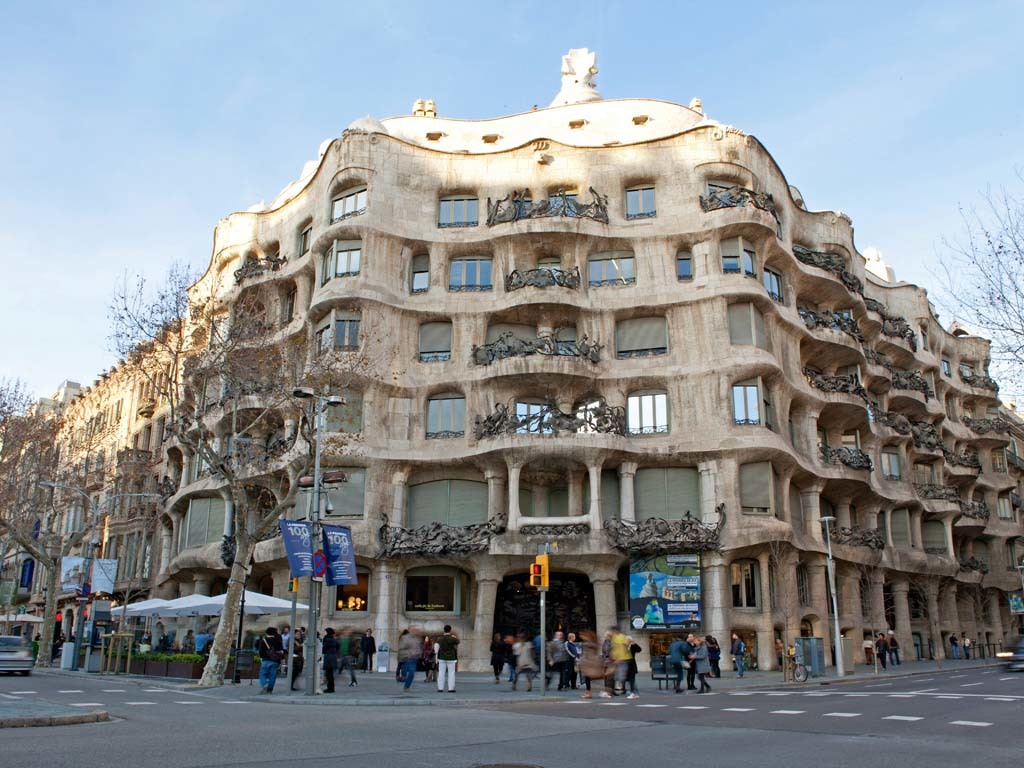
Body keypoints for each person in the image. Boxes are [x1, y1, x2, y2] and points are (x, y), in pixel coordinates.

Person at [604, 626, 630, 698]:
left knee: (621, 677)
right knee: (612, 676)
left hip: (618, 660)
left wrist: (618, 658)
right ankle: (610, 692)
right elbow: (609, 651)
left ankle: (632, 690)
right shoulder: (611, 640)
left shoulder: (620, 638)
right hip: (614, 660)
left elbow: (623, 648)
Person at [257, 626, 284, 694]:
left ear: (267, 633)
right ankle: (270, 690)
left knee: (262, 674)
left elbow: (261, 652)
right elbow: (281, 651)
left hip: (266, 660)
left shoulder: (264, 640)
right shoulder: (278, 640)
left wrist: (261, 658)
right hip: (275, 661)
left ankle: (264, 684)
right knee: (273, 675)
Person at [435, 625, 459, 693]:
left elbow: (436, 648)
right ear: (450, 630)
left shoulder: (440, 639)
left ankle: (440, 688)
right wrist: (454, 637)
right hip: (451, 657)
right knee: (451, 673)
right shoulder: (453, 638)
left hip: (442, 657)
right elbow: (458, 642)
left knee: (441, 673)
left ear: (444, 630)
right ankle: (451, 688)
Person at [322, 627, 340, 693]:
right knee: (331, 674)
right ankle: (331, 688)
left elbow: (324, 649)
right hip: (333, 657)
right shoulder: (334, 639)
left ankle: (330, 688)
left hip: (328, 657)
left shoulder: (327, 639)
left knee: (328, 674)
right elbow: (338, 646)